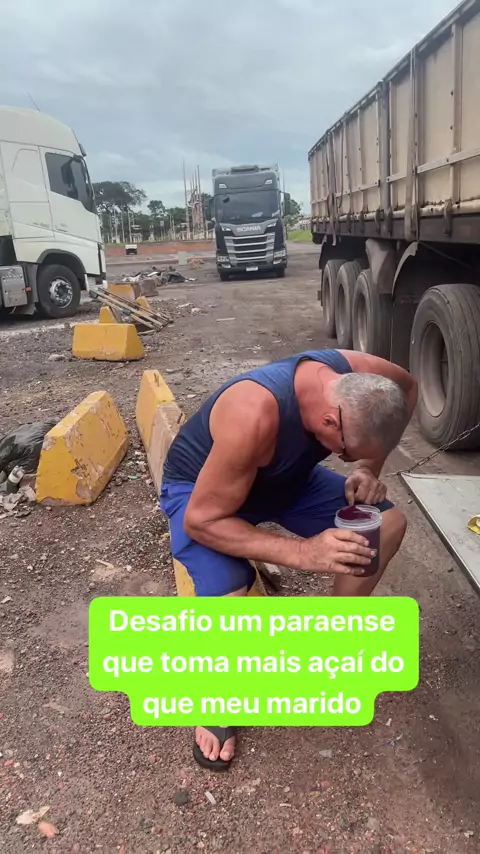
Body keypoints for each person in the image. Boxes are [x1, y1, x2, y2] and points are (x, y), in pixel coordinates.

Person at [160, 349, 417, 772]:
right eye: (346, 453)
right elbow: (202, 522)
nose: (344, 461)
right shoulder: (253, 411)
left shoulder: (364, 376)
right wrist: (304, 552)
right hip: (202, 494)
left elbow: (408, 387)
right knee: (229, 587)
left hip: (285, 480)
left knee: (386, 523)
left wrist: (368, 468)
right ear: (330, 421)